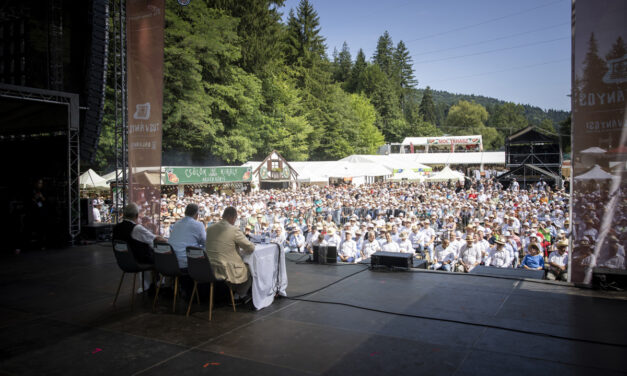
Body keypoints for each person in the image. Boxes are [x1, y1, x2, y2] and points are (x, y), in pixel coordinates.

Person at [112, 203, 166, 292]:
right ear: (137, 215)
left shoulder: (116, 227)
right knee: (162, 257)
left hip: (123, 261)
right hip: (137, 261)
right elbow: (155, 239)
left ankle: (147, 286)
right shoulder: (136, 229)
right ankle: (161, 285)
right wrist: (168, 240)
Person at [205, 206, 256, 300]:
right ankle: (240, 295)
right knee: (251, 269)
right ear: (233, 217)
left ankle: (234, 292)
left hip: (210, 267)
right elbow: (250, 247)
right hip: (226, 267)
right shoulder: (234, 230)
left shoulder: (210, 228)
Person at [168, 203, 206, 270]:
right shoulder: (199, 225)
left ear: (185, 213)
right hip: (186, 263)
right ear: (197, 215)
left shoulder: (177, 223)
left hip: (171, 261)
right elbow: (205, 243)